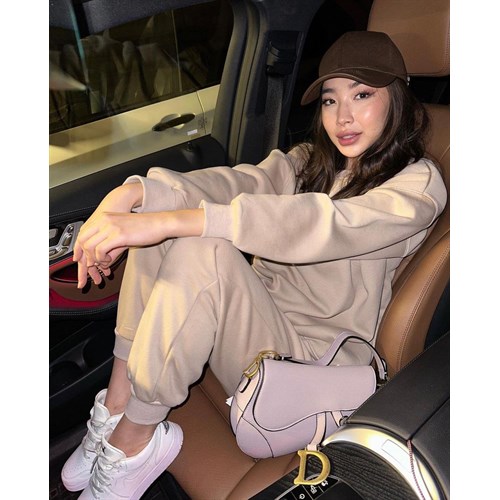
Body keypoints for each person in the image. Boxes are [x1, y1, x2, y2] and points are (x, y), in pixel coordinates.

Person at [60, 30, 447, 499]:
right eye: (330, 100)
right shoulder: (313, 161)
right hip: (261, 329)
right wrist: (136, 194)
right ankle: (118, 405)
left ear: (397, 97)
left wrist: (177, 221)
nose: (342, 117)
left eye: (361, 95)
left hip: (312, 361)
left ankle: (135, 439)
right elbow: (238, 183)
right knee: (162, 225)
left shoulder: (417, 184)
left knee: (199, 245)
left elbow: (322, 223)